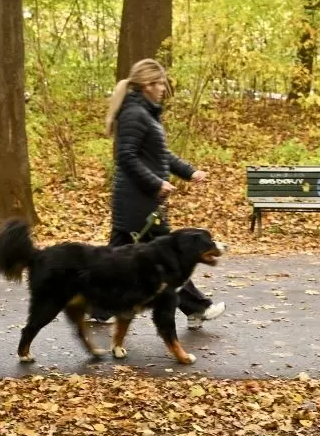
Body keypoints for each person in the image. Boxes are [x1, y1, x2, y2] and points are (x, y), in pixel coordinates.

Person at [92, 58, 225, 328]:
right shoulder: (134, 114)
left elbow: (160, 154)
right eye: (160, 83)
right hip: (138, 202)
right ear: (147, 85)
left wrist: (189, 172)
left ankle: (98, 307)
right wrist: (156, 183)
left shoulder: (145, 113)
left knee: (116, 259)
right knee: (170, 256)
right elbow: (126, 156)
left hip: (137, 201)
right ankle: (197, 308)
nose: (164, 88)